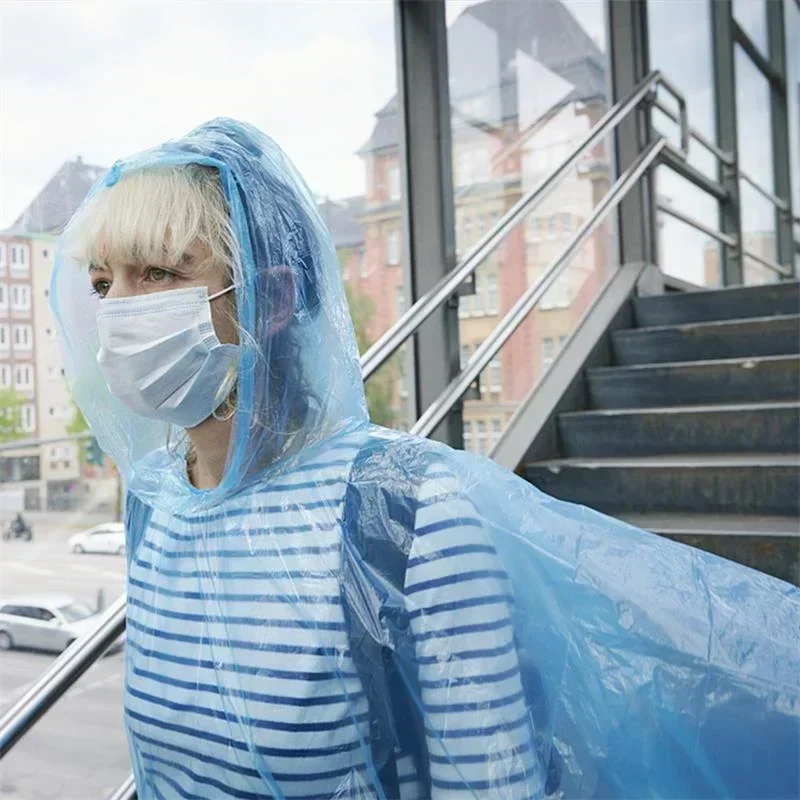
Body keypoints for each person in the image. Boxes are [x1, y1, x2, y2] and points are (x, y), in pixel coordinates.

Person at [52, 119, 798, 800]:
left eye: (158, 273)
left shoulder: (404, 514)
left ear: (271, 301)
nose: (117, 311)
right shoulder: (155, 502)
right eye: (102, 283)